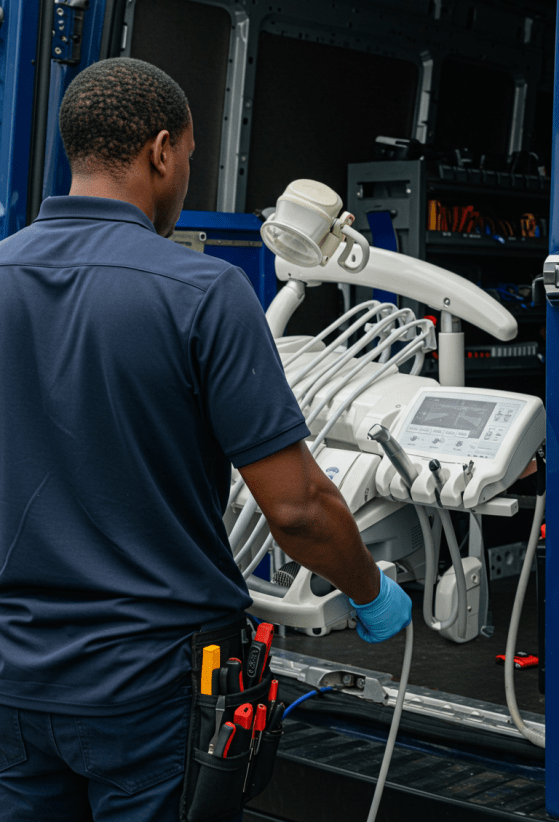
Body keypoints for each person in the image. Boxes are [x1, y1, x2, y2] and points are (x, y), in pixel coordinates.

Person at [0, 58, 411, 821]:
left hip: (13, 679)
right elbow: (297, 510)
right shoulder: (200, 292)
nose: (185, 176)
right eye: (188, 157)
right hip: (150, 687)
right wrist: (370, 592)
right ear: (161, 151)